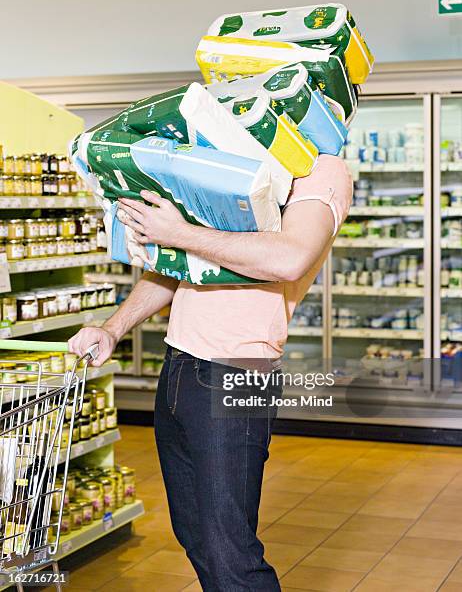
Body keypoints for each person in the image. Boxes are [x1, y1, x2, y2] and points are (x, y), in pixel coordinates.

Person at [69, 154, 352, 591]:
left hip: (236, 370)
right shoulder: (238, 161)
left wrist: (180, 232)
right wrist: (112, 328)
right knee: (196, 535)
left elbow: (290, 258)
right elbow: (176, 271)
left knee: (230, 552)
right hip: (179, 365)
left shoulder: (319, 170)